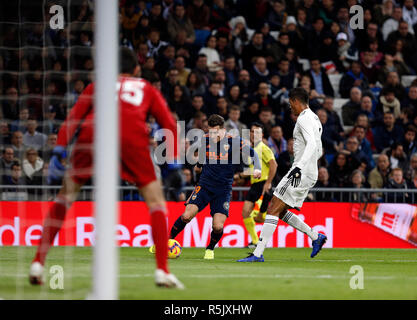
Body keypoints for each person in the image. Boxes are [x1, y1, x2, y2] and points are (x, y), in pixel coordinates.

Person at [29, 47, 184, 289]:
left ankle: (38, 262)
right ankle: (162, 271)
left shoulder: (98, 86)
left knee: (65, 197)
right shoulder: (146, 87)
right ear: (136, 69)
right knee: (156, 203)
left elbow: (73, 119)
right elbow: (169, 124)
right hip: (131, 137)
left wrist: (60, 148)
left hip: (94, 134)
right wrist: (173, 161)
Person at [238, 87, 327, 262]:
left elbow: (310, 145)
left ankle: (258, 253)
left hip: (300, 172)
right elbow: (318, 149)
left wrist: (299, 166)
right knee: (279, 209)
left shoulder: (303, 119)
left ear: (295, 101)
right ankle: (315, 236)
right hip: (308, 171)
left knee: (272, 207)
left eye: (290, 103)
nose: (289, 107)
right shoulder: (315, 118)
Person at [162, 114, 261, 260]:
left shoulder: (234, 141)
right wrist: (199, 166)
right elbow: (202, 158)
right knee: (186, 216)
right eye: (210, 131)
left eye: (215, 132)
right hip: (204, 186)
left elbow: (253, 154)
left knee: (218, 227)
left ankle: (210, 248)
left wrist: (257, 168)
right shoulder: (205, 140)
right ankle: (164, 243)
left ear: (223, 130)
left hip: (223, 190)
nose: (212, 135)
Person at [238, 122, 277, 248]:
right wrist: (238, 176)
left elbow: (273, 165)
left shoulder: (264, 148)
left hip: (263, 185)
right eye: (252, 132)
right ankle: (255, 242)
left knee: (259, 218)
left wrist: (268, 183)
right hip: (255, 185)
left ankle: (263, 237)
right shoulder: (252, 150)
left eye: (257, 132)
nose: (254, 134)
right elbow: (253, 170)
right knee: (245, 212)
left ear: (262, 135)